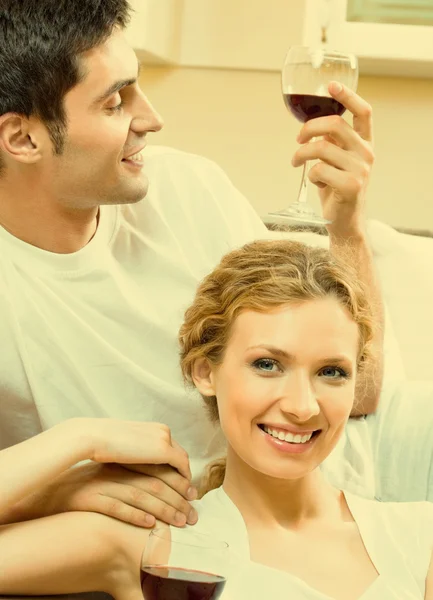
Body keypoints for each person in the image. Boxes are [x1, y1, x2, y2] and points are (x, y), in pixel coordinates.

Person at [0, 0, 382, 529]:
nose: (153, 119)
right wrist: (50, 487)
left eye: (138, 85)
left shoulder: (189, 191)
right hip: (158, 545)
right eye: (116, 102)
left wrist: (346, 228)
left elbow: (360, 392)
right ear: (22, 138)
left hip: (323, 513)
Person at [0, 240, 431, 600]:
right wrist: (78, 439)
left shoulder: (419, 534)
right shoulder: (155, 548)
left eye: (332, 372)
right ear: (205, 371)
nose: (303, 406)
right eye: (267, 364)